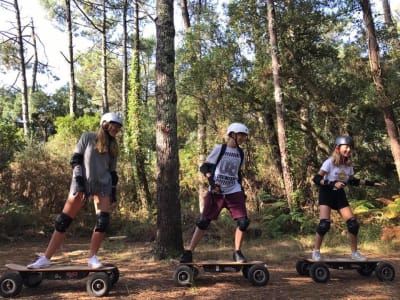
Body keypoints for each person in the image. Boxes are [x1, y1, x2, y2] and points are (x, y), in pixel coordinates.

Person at [27, 112, 123, 269]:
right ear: (105, 123)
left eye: (119, 128)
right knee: (63, 221)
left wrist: (113, 191)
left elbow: (113, 172)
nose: (117, 129)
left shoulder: (113, 147)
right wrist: (79, 182)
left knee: (103, 221)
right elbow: (76, 159)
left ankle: (92, 258)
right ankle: (46, 258)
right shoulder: (88, 137)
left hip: (103, 185)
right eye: (115, 126)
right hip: (82, 182)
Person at [180, 122, 250, 263]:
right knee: (203, 222)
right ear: (232, 135)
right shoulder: (220, 149)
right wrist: (212, 183)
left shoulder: (241, 153)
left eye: (244, 136)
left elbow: (238, 173)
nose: (243, 138)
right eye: (241, 135)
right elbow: (204, 167)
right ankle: (189, 252)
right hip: (216, 193)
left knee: (243, 222)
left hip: (234, 191)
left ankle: (237, 252)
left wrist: (241, 190)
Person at [311, 135, 384, 261]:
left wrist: (372, 183)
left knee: (353, 224)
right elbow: (316, 179)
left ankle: (354, 253)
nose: (349, 150)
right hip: (326, 193)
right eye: (346, 147)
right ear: (338, 149)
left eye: (350, 147)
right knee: (324, 225)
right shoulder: (329, 162)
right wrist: (332, 183)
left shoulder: (348, 166)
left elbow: (353, 181)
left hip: (339, 195)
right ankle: (316, 251)